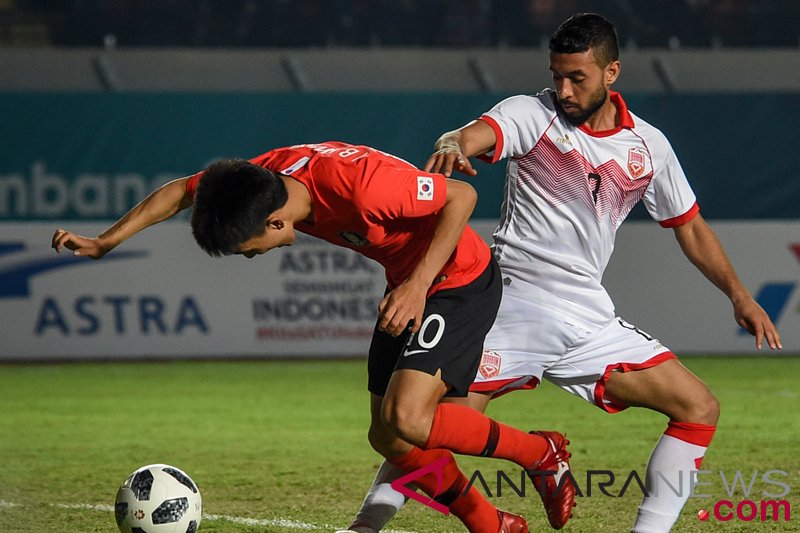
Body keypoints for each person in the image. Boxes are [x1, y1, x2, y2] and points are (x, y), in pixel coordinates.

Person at [338, 13, 782, 533]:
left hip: (588, 316)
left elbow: (690, 226)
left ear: (611, 72)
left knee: (698, 407)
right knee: (422, 426)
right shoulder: (533, 114)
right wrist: (453, 144)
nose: (565, 90)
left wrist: (739, 295)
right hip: (507, 304)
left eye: (578, 78)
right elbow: (472, 134)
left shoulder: (648, 146)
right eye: (557, 76)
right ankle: (366, 527)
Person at [51, 141, 578, 533]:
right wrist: (105, 242)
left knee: (409, 418)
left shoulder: (362, 186)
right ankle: (494, 524)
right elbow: (182, 191)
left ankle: (541, 453)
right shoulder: (264, 179)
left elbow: (460, 196)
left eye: (248, 248)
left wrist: (419, 285)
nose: (252, 256)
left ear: (277, 222)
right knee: (390, 438)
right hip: (407, 286)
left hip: (457, 281)